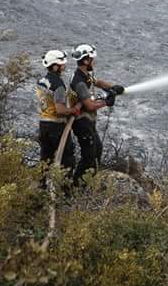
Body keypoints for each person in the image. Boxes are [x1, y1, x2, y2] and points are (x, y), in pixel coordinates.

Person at [68, 44, 125, 185]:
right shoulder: (79, 82)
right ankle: (77, 187)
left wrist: (112, 87)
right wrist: (107, 102)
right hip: (82, 123)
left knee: (97, 150)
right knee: (89, 156)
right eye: (92, 59)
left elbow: (96, 82)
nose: (94, 61)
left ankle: (88, 184)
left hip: (88, 121)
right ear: (86, 60)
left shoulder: (85, 74)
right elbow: (89, 105)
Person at [35, 49, 80, 171]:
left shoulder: (41, 82)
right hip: (56, 127)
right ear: (55, 67)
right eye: (62, 65)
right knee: (67, 161)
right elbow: (60, 110)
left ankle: (41, 182)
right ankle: (64, 183)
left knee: (45, 160)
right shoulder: (58, 85)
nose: (64, 67)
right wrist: (73, 110)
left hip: (43, 125)